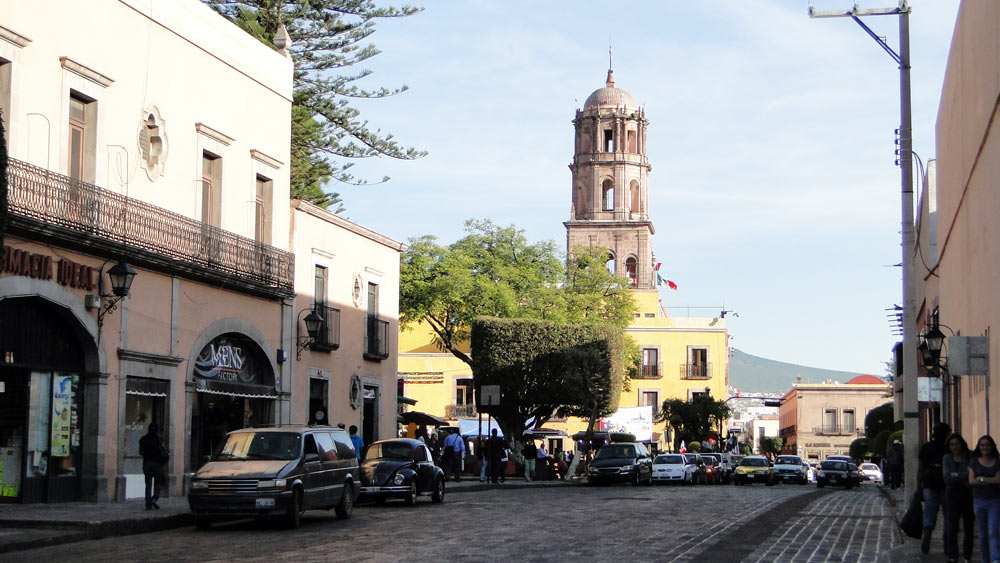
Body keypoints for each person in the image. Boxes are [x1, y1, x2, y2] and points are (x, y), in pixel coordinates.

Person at [919, 422, 951, 554]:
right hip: (947, 485)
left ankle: (927, 532)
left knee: (929, 513)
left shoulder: (926, 447)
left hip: (929, 484)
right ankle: (947, 541)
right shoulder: (950, 448)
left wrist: (919, 487)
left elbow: (920, 469)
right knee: (948, 515)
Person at [942, 433, 974, 563]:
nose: (954, 447)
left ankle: (967, 556)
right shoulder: (947, 458)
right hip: (952, 495)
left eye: (956, 444)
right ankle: (953, 556)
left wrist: (955, 474)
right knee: (952, 527)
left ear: (961, 444)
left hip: (968, 494)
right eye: (952, 445)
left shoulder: (970, 456)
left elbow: (972, 475)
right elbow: (947, 478)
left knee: (969, 527)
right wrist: (964, 475)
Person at [969, 435, 1000, 563]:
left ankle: (995, 559)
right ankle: (984, 560)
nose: (985, 447)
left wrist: (981, 478)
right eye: (982, 445)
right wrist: (990, 480)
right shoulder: (974, 462)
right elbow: (972, 480)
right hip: (979, 501)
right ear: (979, 447)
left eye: (987, 445)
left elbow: (998, 480)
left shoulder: (997, 462)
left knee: (993, 531)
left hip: (994, 501)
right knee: (982, 534)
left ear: (992, 446)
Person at [138, 422, 168, 510]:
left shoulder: (143, 439)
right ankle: (154, 499)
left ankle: (148, 504)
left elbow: (140, 452)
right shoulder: (160, 439)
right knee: (158, 483)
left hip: (147, 463)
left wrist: (147, 455)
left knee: (148, 484)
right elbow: (164, 451)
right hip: (158, 464)